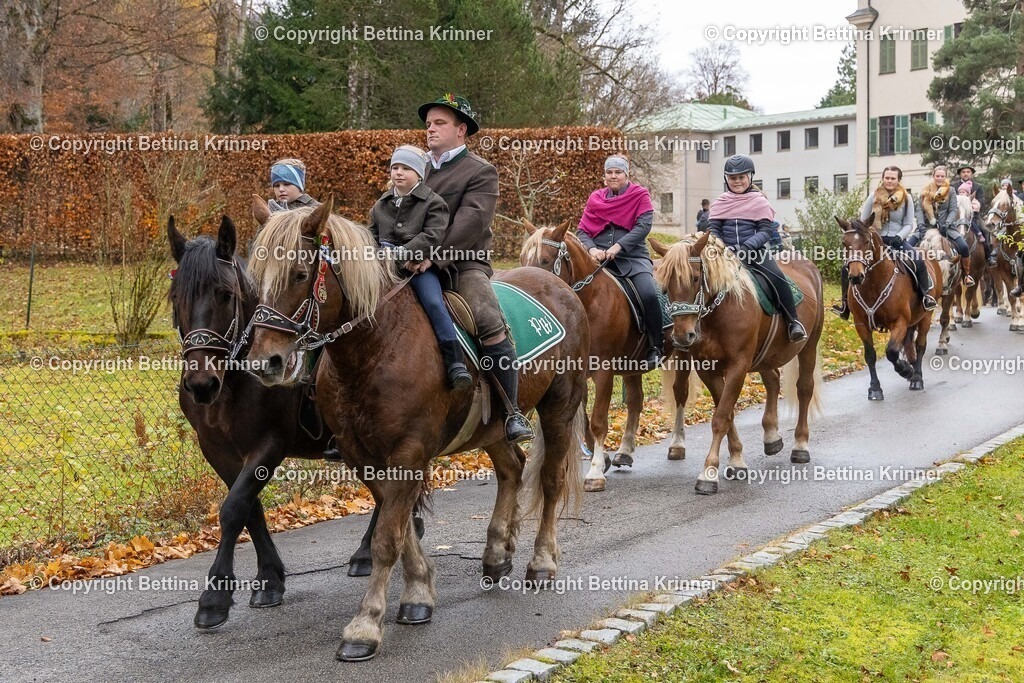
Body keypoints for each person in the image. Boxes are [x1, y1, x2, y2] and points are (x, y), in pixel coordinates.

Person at [417, 93, 533, 443]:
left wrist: (432, 256)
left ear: (461, 130)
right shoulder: (415, 167)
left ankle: (511, 412)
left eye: (439, 123)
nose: (430, 129)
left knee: (487, 317)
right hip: (411, 262)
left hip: (463, 265)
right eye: (428, 124)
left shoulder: (481, 171)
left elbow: (470, 224)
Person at [369, 145, 472, 391]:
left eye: (406, 168)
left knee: (434, 303)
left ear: (419, 174)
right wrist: (376, 256)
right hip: (383, 268)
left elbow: (432, 236)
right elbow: (371, 236)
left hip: (418, 268)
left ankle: (455, 361)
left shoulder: (433, 203)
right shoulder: (380, 205)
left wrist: (403, 254)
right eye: (395, 167)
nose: (398, 172)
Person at [707, 154, 807, 342]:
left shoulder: (759, 201)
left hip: (755, 252)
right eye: (732, 178)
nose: (737, 181)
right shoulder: (720, 202)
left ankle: (793, 321)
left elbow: (765, 231)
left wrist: (746, 247)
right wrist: (722, 247)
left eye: (741, 177)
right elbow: (714, 230)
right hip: (723, 253)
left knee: (777, 276)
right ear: (727, 179)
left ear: (750, 177)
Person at [577, 154, 663, 369]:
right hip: (599, 261)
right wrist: (592, 249)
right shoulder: (595, 198)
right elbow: (582, 231)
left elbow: (643, 226)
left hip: (632, 258)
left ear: (627, 174)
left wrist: (619, 246)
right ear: (604, 176)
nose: (613, 176)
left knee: (649, 293)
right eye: (609, 172)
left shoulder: (640, 195)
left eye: (618, 172)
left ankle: (656, 345)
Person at [834, 166, 936, 318]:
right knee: (846, 267)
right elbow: (863, 222)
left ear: (898, 180)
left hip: (897, 240)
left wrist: (899, 236)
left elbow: (909, 224)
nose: (889, 181)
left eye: (893, 178)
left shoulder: (907, 199)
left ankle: (926, 297)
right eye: (887, 178)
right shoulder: (873, 197)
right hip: (875, 241)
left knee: (918, 261)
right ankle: (845, 305)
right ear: (883, 178)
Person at [911, 164, 975, 286]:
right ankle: (909, 275)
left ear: (946, 177)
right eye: (937, 176)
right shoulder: (925, 190)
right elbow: (919, 210)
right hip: (926, 227)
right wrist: (920, 225)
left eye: (942, 176)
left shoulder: (951, 190)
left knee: (964, 246)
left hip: (946, 227)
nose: (939, 178)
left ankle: (966, 275)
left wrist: (947, 223)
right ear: (933, 176)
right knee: (909, 246)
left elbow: (953, 209)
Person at [951, 164, 996, 266]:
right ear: (960, 174)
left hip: (973, 215)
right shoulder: (953, 186)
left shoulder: (978, 186)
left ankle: (989, 256)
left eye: (968, 172)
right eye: (963, 172)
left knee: (985, 230)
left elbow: (981, 200)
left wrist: (972, 206)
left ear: (971, 174)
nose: (966, 174)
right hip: (957, 216)